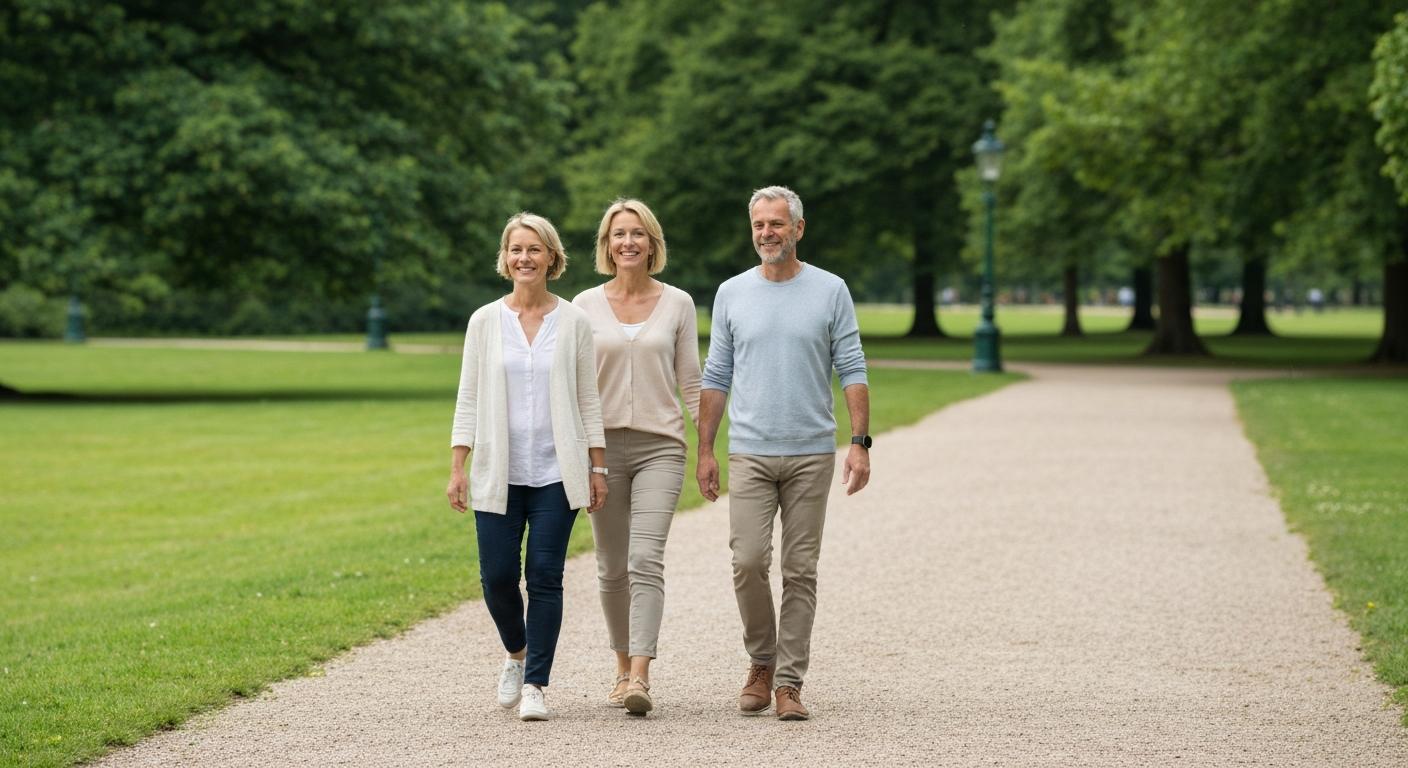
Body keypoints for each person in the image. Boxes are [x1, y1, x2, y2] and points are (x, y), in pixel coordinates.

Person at [696, 185, 871, 721]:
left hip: (811, 451)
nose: (766, 233)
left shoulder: (830, 289)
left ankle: (790, 682)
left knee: (800, 570)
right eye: (759, 226)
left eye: (776, 224)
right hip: (750, 450)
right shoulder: (731, 292)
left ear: (798, 228)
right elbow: (717, 374)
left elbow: (853, 367)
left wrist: (860, 444)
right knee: (747, 561)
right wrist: (705, 449)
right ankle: (762, 661)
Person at [446, 212, 608, 722]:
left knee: (544, 576)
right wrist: (458, 467)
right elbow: (468, 397)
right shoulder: (484, 321)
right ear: (506, 257)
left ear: (552, 257)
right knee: (496, 577)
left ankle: (536, 681)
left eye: (534, 249)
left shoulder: (575, 322)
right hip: (499, 471)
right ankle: (516, 653)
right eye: (516, 249)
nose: (525, 258)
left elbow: (588, 399)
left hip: (556, 473)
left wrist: (597, 467)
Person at [573, 199, 702, 716]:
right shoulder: (582, 305)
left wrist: (709, 447)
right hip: (600, 452)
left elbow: (692, 383)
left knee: (644, 559)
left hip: (660, 447)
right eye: (618, 234)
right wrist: (580, 455)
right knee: (610, 566)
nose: (628, 242)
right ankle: (621, 667)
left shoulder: (679, 304)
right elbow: (573, 387)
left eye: (638, 234)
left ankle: (641, 677)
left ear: (653, 243)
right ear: (607, 245)